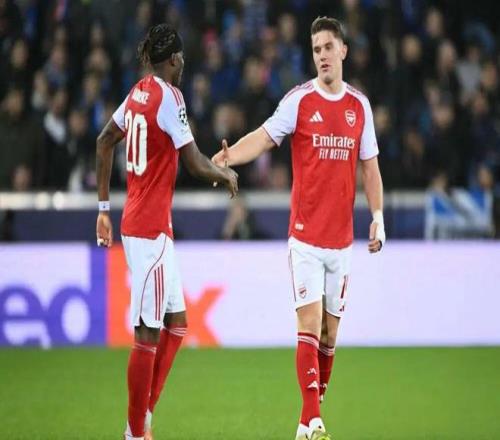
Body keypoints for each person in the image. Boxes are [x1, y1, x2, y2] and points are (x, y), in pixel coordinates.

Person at [213, 16, 385, 440]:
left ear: (343, 51)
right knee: (308, 324)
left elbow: (370, 167)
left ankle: (306, 423)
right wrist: (230, 156)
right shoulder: (299, 101)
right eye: (316, 50)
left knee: (329, 334)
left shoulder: (359, 107)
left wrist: (378, 218)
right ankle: (315, 419)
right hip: (305, 237)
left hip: (341, 240)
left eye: (328, 47)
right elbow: (264, 137)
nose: (322, 56)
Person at [95, 24, 238, 440]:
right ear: (174, 59)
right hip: (150, 230)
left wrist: (103, 209)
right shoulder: (170, 97)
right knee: (147, 332)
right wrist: (224, 173)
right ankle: (135, 432)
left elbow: (104, 140)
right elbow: (192, 162)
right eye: (182, 57)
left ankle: (143, 417)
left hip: (144, 225)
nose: (183, 63)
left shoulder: (138, 92)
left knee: (176, 323)